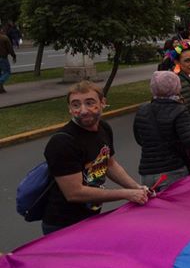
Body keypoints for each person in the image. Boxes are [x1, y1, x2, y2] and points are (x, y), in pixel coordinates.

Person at [41, 81, 151, 235]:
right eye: (76, 105)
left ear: (103, 103)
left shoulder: (104, 128)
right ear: (70, 109)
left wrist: (136, 188)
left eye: (90, 103)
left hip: (91, 217)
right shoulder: (62, 143)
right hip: (64, 226)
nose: (83, 110)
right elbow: (74, 192)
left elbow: (110, 164)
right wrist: (126, 193)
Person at [0, 23, 16, 93]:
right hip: (2, 58)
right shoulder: (4, 38)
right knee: (7, 72)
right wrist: (14, 56)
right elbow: (10, 49)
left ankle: (1, 89)